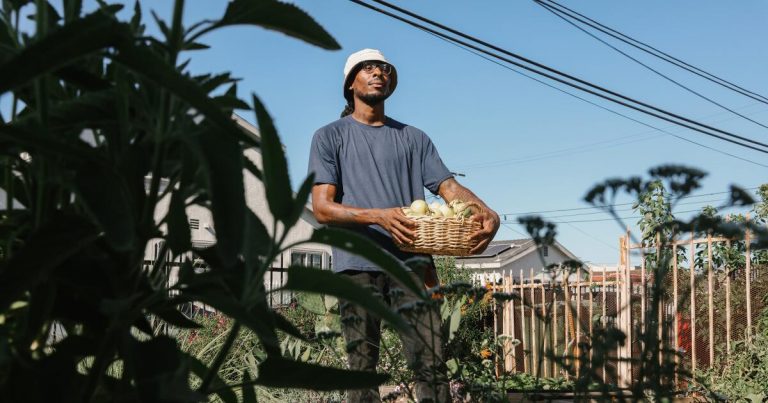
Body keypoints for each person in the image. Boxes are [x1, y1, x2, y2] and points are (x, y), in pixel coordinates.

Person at [308, 48, 500, 402]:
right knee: (362, 370)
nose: (378, 72)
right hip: (357, 266)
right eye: (368, 68)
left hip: (413, 265)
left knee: (431, 363)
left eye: (383, 68)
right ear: (351, 83)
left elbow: (448, 188)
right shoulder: (329, 136)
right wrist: (378, 215)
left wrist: (488, 211)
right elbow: (322, 208)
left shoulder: (414, 138)